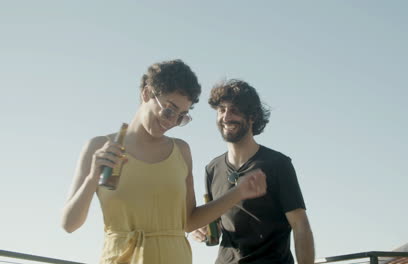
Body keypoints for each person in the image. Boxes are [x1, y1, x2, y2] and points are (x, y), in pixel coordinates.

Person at [61, 60, 266, 264]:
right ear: (147, 94)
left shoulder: (181, 151)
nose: (171, 122)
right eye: (169, 110)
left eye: (181, 117)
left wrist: (238, 192)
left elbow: (189, 221)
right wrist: (91, 178)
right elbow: (69, 224)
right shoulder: (99, 147)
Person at [192, 79, 315, 264]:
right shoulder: (212, 168)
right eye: (221, 110)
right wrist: (200, 230)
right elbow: (216, 222)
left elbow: (300, 225)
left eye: (234, 110)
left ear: (252, 117)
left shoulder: (277, 164)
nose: (226, 117)